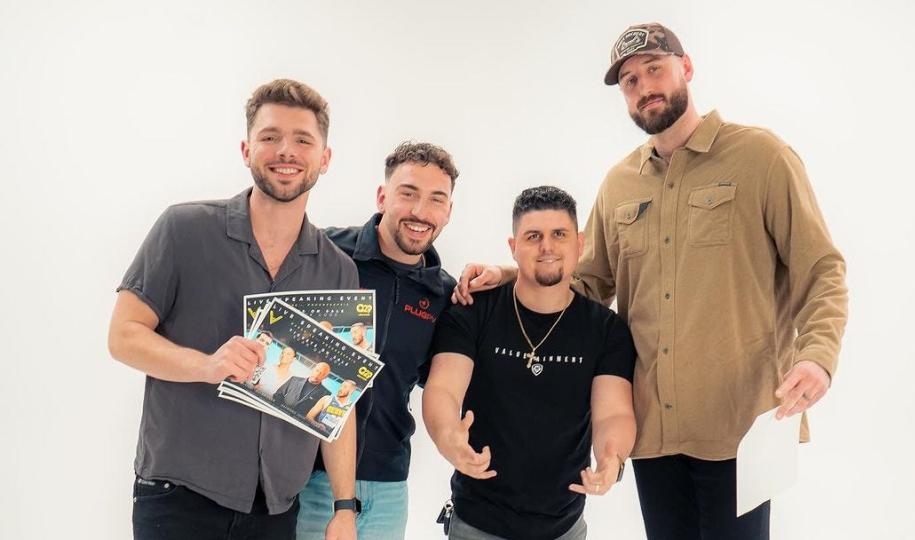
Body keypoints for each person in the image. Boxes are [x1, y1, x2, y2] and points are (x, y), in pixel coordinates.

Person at [453, 23, 849, 540]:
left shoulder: (761, 158)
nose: (644, 88)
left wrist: (817, 356)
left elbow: (821, 268)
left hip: (737, 424)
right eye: (630, 82)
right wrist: (514, 273)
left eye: (654, 70)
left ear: (686, 68)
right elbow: (587, 284)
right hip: (654, 431)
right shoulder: (620, 184)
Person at [107, 79, 360, 540]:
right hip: (179, 496)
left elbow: (339, 400)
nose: (286, 151)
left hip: (275, 507)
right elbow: (123, 336)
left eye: (303, 139)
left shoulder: (338, 271)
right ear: (247, 149)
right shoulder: (183, 229)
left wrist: (345, 507)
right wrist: (207, 365)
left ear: (324, 158)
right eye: (270, 137)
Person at [425, 186, 636, 540]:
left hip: (563, 527)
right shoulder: (474, 310)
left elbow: (613, 412)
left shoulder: (606, 330)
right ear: (513, 247)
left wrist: (611, 459)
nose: (547, 247)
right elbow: (443, 387)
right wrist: (449, 437)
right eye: (533, 236)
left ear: (579, 245)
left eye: (559, 235)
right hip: (476, 522)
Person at [296, 142, 458, 540]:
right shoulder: (326, 253)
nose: (421, 212)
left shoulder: (445, 295)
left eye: (437, 199)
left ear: (449, 211)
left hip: (388, 487)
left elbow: (441, 384)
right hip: (307, 478)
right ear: (382, 197)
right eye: (408, 194)